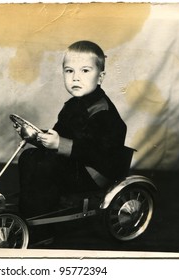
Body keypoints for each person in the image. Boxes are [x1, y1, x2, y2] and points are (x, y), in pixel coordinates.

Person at [18, 40, 130, 221]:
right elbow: (58, 134)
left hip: (94, 171)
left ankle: (41, 219)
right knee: (29, 157)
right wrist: (37, 136)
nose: (75, 78)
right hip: (75, 163)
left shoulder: (104, 112)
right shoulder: (71, 106)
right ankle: (31, 208)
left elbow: (98, 152)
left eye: (85, 71)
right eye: (69, 71)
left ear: (100, 77)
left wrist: (59, 144)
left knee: (47, 165)